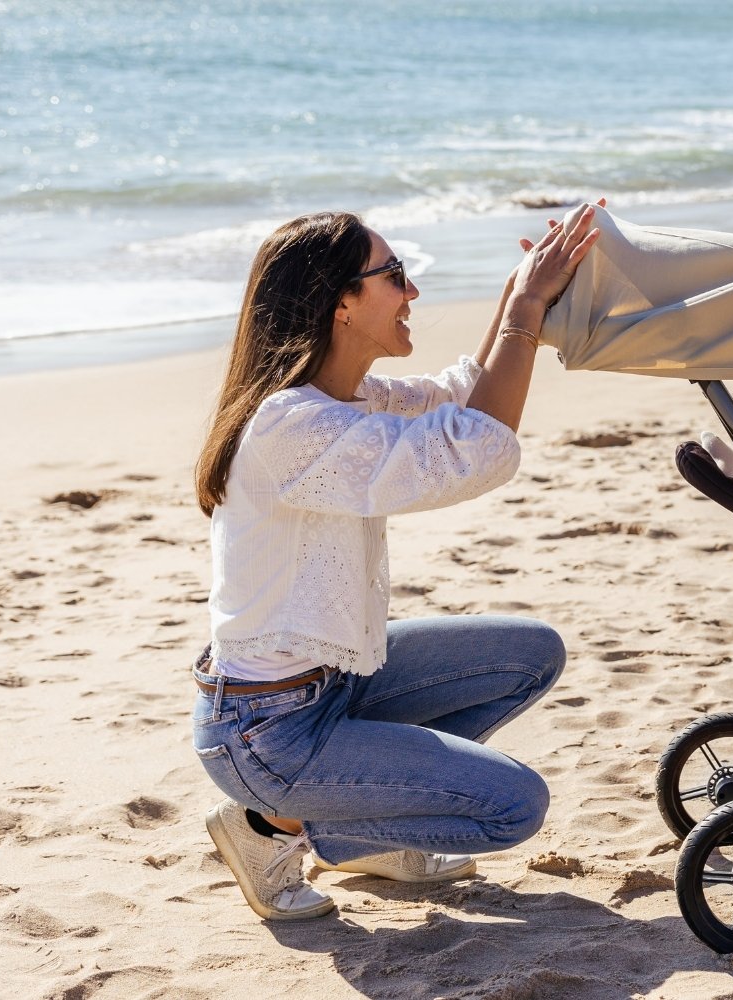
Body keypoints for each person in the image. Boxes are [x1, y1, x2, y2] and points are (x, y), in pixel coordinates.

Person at [189, 203, 600, 921]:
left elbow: (461, 399)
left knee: (529, 654)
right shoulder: (295, 426)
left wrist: (519, 292)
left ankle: (374, 818)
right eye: (396, 276)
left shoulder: (349, 399)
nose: (412, 294)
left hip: (338, 687)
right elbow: (474, 448)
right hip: (269, 733)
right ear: (341, 301)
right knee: (513, 807)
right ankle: (266, 827)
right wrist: (527, 310)